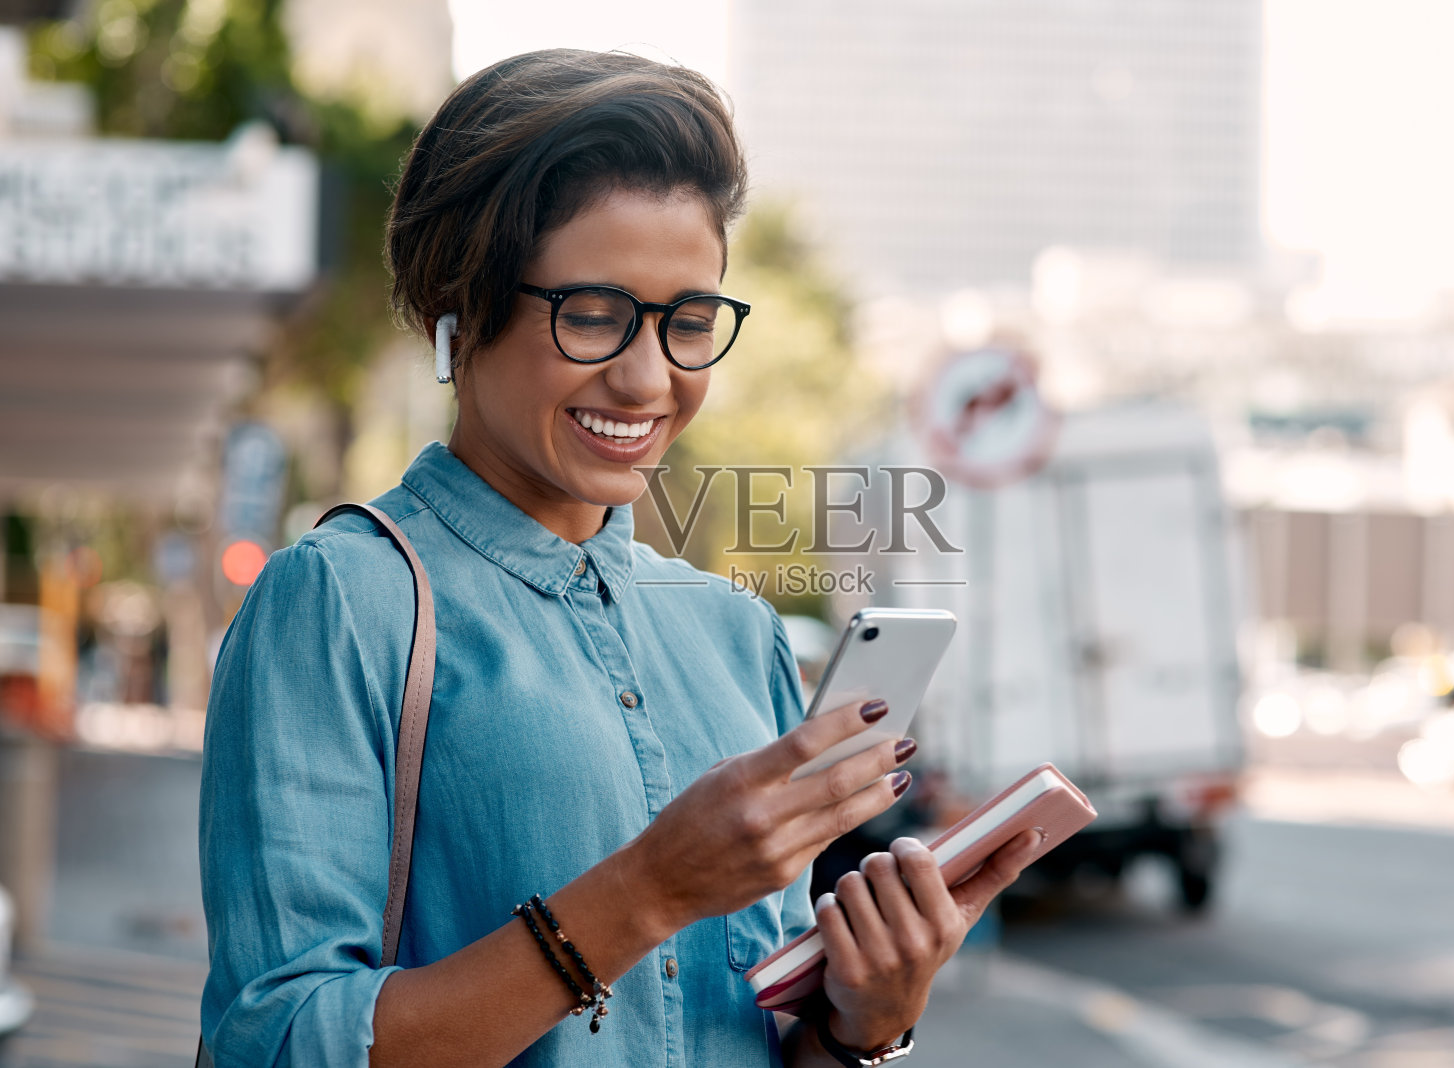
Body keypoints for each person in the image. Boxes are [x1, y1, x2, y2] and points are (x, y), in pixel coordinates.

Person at [198, 48, 1039, 1068]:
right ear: (457, 311)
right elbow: (281, 1044)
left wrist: (865, 1023)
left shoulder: (737, 636)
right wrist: (646, 891)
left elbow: (753, 1037)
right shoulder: (339, 602)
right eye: (593, 316)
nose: (648, 380)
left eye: (689, 323)